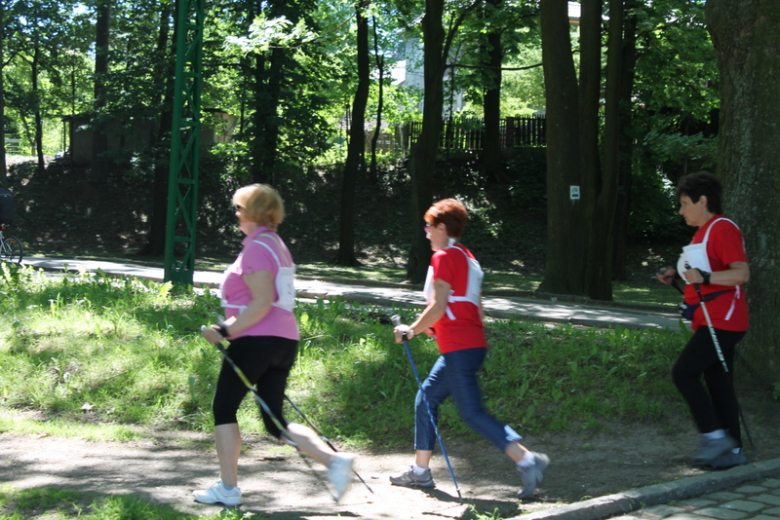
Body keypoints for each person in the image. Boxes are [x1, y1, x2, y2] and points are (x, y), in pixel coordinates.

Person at [195, 183, 354, 506]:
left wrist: (225, 330)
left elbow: (262, 302)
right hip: (284, 341)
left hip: (255, 340)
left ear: (253, 212)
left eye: (240, 208)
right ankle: (334, 462)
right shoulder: (275, 244)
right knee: (275, 421)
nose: (236, 214)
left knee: (223, 408)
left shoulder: (255, 248)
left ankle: (228, 489)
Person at [391, 198, 549, 499]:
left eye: (429, 226)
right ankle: (421, 473)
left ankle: (528, 459)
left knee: (472, 414)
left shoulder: (444, 257)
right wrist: (441, 328)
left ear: (441, 227)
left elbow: (438, 307)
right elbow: (476, 309)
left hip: (459, 348)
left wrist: (411, 330)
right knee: (425, 400)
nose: (426, 232)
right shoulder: (468, 257)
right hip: (468, 345)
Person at [657, 171, 750, 470]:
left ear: (703, 200)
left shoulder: (722, 228)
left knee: (683, 373)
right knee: (718, 383)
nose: (681, 211)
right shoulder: (704, 232)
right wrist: (676, 274)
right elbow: (701, 278)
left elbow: (741, 273)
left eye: (685, 203)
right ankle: (732, 452)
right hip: (713, 319)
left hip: (723, 319)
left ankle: (715, 438)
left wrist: (705, 276)